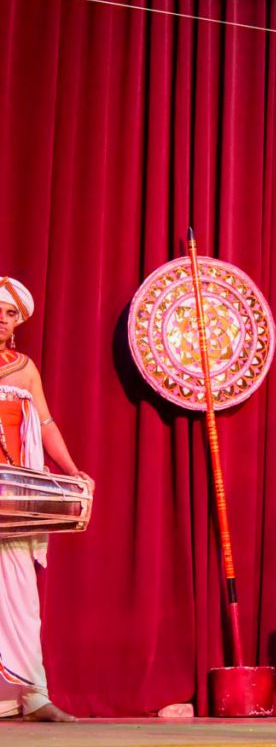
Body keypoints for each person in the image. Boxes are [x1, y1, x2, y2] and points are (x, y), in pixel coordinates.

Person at [0, 277, 94, 722]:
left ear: (19, 322)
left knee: (20, 596)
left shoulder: (25, 369)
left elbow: (47, 422)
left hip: (13, 500)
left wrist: (72, 471)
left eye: (11, 313)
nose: (3, 318)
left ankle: (33, 696)